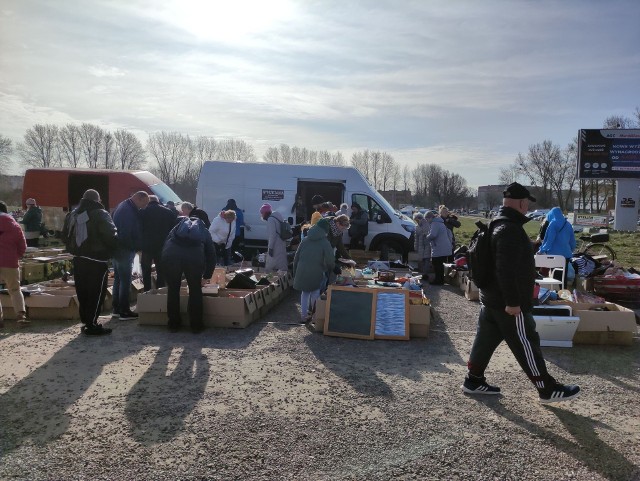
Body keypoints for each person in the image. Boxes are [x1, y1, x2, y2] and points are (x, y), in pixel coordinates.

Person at [462, 182, 581, 403]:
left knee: (485, 341)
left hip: (490, 299)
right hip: (507, 303)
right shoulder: (510, 230)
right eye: (526, 203)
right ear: (520, 203)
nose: (527, 207)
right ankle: (547, 388)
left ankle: (474, 379)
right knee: (527, 342)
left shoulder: (497, 223)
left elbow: (505, 260)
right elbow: (505, 269)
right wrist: (513, 302)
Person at [63, 189, 118, 335]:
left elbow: (65, 236)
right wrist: (113, 250)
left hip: (78, 258)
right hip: (97, 259)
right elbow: (111, 235)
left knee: (82, 291)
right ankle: (91, 324)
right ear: (98, 200)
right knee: (96, 292)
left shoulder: (72, 214)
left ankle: (86, 321)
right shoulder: (100, 213)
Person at [162, 217, 216, 333]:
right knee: (195, 290)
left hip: (171, 257)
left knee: (173, 290)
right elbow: (211, 255)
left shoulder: (176, 229)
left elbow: (165, 245)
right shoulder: (204, 232)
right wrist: (207, 276)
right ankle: (196, 326)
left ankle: (173, 324)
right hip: (194, 259)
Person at [112, 191, 149, 320]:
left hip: (117, 249)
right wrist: (135, 247)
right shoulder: (128, 211)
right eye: (144, 203)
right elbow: (126, 233)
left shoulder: (123, 206)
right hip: (124, 249)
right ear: (139, 198)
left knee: (118, 279)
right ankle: (124, 310)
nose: (144, 207)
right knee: (125, 280)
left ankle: (116, 308)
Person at [293, 220, 335, 324]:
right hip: (316, 270)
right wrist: (333, 267)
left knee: (305, 293)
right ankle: (315, 317)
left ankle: (303, 316)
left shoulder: (305, 239)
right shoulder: (325, 242)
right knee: (315, 292)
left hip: (301, 270)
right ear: (325, 231)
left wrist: (295, 272)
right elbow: (330, 260)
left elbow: (296, 257)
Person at [140, 195, 178, 291]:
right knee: (161, 270)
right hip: (163, 245)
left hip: (146, 246)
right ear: (158, 201)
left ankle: (147, 290)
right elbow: (173, 229)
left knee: (146, 270)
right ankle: (160, 290)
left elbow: (138, 228)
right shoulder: (168, 212)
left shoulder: (142, 212)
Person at [0, 201, 28, 327]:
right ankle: (20, 316)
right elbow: (23, 246)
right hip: (10, 262)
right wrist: (16, 256)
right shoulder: (15, 225)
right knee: (15, 289)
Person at [537, 207, 576, 288]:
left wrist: (541, 250)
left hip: (554, 255)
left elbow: (549, 241)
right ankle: (564, 292)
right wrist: (571, 250)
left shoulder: (553, 224)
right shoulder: (568, 224)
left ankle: (557, 294)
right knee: (563, 277)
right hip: (566, 255)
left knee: (555, 277)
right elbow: (572, 241)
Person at [426, 213, 453, 285]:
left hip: (439, 247)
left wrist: (427, 237)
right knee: (440, 265)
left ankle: (438, 281)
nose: (427, 220)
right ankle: (441, 280)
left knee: (436, 264)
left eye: (427, 219)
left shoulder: (435, 223)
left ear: (430, 218)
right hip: (444, 247)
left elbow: (433, 235)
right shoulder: (440, 222)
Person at [260, 203, 289, 272]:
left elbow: (272, 235)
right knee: (282, 263)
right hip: (281, 241)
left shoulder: (271, 220)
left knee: (270, 264)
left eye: (262, 213)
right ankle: (284, 277)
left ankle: (268, 279)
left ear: (265, 213)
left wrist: (270, 247)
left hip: (275, 244)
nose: (261, 215)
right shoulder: (277, 215)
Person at [413, 212, 433, 282]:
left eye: (417, 219)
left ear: (420, 218)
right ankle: (423, 273)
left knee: (427, 259)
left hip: (426, 245)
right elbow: (416, 238)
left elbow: (428, 234)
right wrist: (416, 247)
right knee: (422, 260)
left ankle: (425, 274)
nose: (416, 221)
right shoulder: (417, 226)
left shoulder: (426, 224)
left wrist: (425, 235)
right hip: (421, 246)